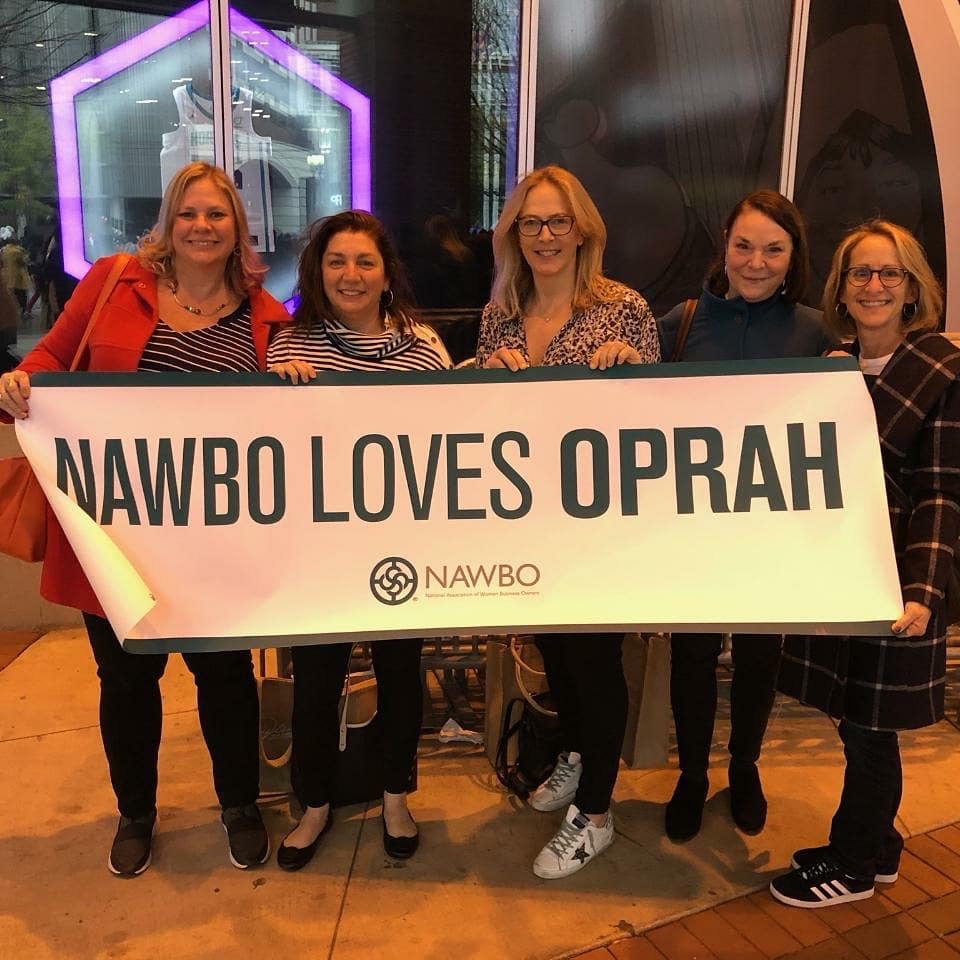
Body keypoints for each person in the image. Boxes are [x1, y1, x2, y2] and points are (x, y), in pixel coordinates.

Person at [0, 161, 289, 877]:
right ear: (167, 222)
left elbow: (292, 415)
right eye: (188, 213)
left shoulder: (266, 315)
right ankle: (135, 812)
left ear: (238, 229)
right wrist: (19, 383)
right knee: (127, 681)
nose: (201, 226)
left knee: (225, 677)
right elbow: (52, 357)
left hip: (220, 541)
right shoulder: (112, 283)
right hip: (118, 533)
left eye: (216, 215)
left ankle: (239, 804)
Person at [476, 164, 660, 879]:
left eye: (558, 221)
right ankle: (578, 755)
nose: (546, 235)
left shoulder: (623, 307)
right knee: (555, 653)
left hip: (599, 524)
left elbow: (658, 422)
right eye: (531, 222)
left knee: (595, 662)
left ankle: (597, 814)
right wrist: (484, 375)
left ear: (582, 230)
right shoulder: (500, 312)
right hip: (530, 521)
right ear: (514, 233)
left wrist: (632, 369)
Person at [770, 220, 960, 908]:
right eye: (860, 273)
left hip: (897, 576)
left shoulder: (941, 369)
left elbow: (943, 490)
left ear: (912, 289)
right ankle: (878, 849)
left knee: (872, 728)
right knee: (855, 720)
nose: (874, 285)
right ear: (842, 288)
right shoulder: (833, 365)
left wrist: (922, 590)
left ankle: (851, 865)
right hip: (836, 569)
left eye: (889, 273)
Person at [266, 210, 451, 870]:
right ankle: (314, 804)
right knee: (317, 679)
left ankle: (397, 796)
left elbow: (452, 436)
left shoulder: (424, 348)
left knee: (402, 674)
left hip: (401, 543)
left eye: (365, 262)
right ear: (318, 272)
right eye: (337, 261)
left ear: (386, 274)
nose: (351, 274)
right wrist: (277, 394)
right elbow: (270, 447)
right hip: (318, 549)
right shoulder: (289, 347)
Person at [657, 190, 832, 843]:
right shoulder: (680, 323)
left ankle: (744, 767)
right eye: (744, 246)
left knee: (761, 657)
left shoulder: (817, 333)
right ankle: (692, 775)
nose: (756, 262)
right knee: (692, 657)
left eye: (773, 249)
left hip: (772, 532)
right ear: (724, 247)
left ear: (793, 257)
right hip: (694, 530)